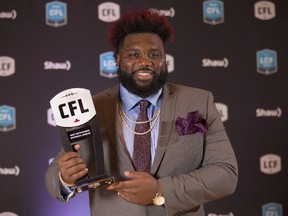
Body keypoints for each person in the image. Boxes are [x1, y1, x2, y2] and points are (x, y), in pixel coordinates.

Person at [45, 8, 238, 216]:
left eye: (154, 54)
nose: (145, 61)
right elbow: (54, 175)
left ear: (165, 59)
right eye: (133, 54)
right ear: (118, 60)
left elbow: (225, 174)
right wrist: (65, 178)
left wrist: (161, 190)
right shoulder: (91, 108)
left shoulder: (200, 102)